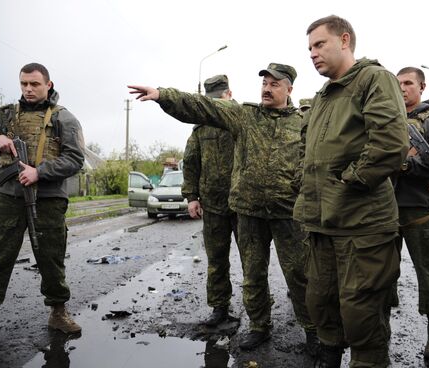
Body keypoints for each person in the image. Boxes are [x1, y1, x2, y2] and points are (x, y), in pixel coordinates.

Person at [128, 63, 318, 354]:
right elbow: (201, 106)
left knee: (300, 274)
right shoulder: (245, 116)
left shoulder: (303, 121)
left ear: (289, 89)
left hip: (288, 212)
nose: (267, 88)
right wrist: (163, 95)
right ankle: (259, 327)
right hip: (249, 212)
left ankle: (313, 332)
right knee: (253, 275)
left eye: (274, 84)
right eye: (264, 83)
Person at [296, 15, 409, 367]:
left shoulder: (374, 79)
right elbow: (309, 150)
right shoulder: (322, 96)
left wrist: (348, 182)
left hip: (362, 225)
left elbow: (390, 145)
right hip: (322, 224)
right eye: (309, 48)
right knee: (322, 305)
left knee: (363, 314)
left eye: (319, 44)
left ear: (344, 40)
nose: (313, 54)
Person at [0, 63, 85, 350]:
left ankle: (58, 312)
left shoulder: (65, 119)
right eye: (24, 83)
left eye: (34, 84)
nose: (28, 89)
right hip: (8, 196)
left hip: (48, 199)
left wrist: (40, 172)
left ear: (48, 85)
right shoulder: (6, 116)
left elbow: (75, 159)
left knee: (51, 259)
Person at [394, 66, 429, 360]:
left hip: (420, 210)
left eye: (408, 83)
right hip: (384, 209)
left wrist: (403, 164)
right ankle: (379, 331)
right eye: (397, 83)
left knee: (428, 275)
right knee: (380, 274)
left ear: (422, 87)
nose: (402, 88)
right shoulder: (388, 117)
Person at [181, 74, 238, 326]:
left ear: (229, 94)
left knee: (253, 263)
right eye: (211, 100)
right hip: (213, 205)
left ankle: (259, 315)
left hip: (242, 203)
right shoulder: (200, 127)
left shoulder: (241, 120)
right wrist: (192, 196)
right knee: (216, 260)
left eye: (219, 98)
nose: (216, 103)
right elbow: (191, 162)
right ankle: (219, 308)